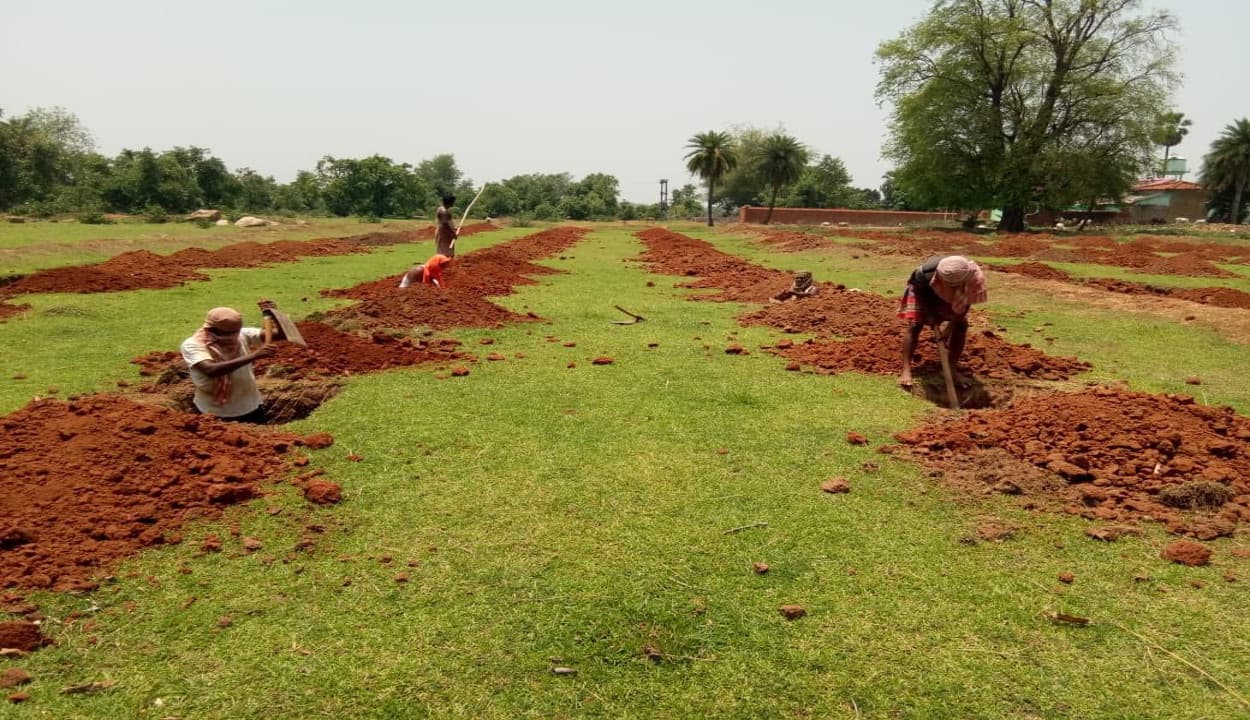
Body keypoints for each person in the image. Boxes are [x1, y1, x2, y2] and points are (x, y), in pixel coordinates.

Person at [897, 255, 987, 388]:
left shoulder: (975, 279)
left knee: (961, 325)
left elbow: (965, 305)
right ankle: (906, 369)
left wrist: (948, 329)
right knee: (915, 325)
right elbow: (919, 291)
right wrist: (931, 317)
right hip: (925, 292)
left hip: (956, 295)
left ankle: (951, 369)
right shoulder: (925, 272)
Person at [180, 305, 284, 422]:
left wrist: (274, 315)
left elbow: (281, 334)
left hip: (250, 406)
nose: (232, 337)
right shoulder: (193, 345)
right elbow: (211, 370)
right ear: (210, 329)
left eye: (235, 333)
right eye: (227, 334)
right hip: (214, 412)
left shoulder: (241, 335)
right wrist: (254, 356)